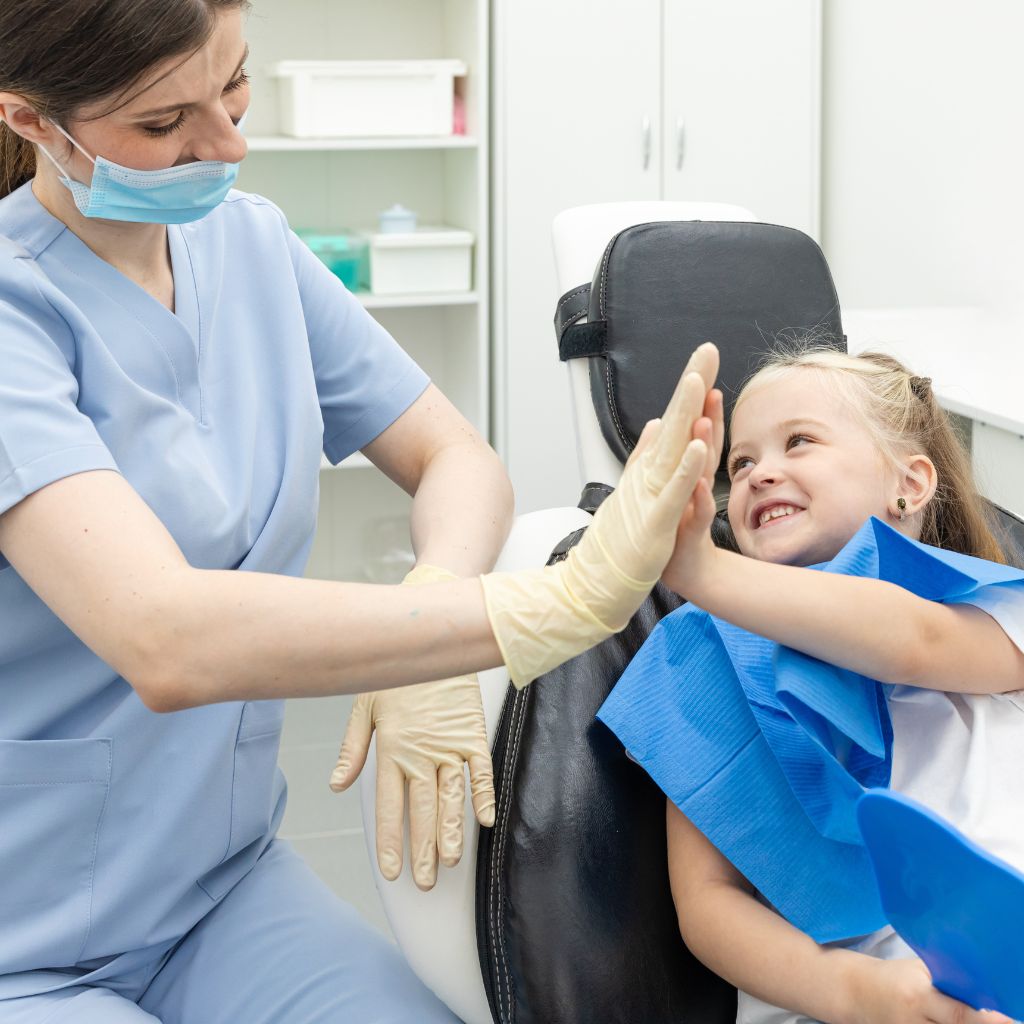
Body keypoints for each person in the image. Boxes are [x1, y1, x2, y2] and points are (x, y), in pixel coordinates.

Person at [0, 1, 718, 1020]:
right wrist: (542, 607)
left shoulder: (247, 245)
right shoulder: (15, 314)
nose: (229, 144)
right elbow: (162, 637)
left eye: (236, 84)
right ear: (32, 122)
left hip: (220, 889)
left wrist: (440, 586)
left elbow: (453, 455)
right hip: (25, 934)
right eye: (164, 126)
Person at [602, 345, 1024, 1024]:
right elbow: (707, 902)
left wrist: (704, 572)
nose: (760, 474)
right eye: (740, 464)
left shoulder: (991, 610)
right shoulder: (702, 663)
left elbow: (911, 645)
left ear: (910, 486)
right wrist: (857, 993)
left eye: (798, 442)